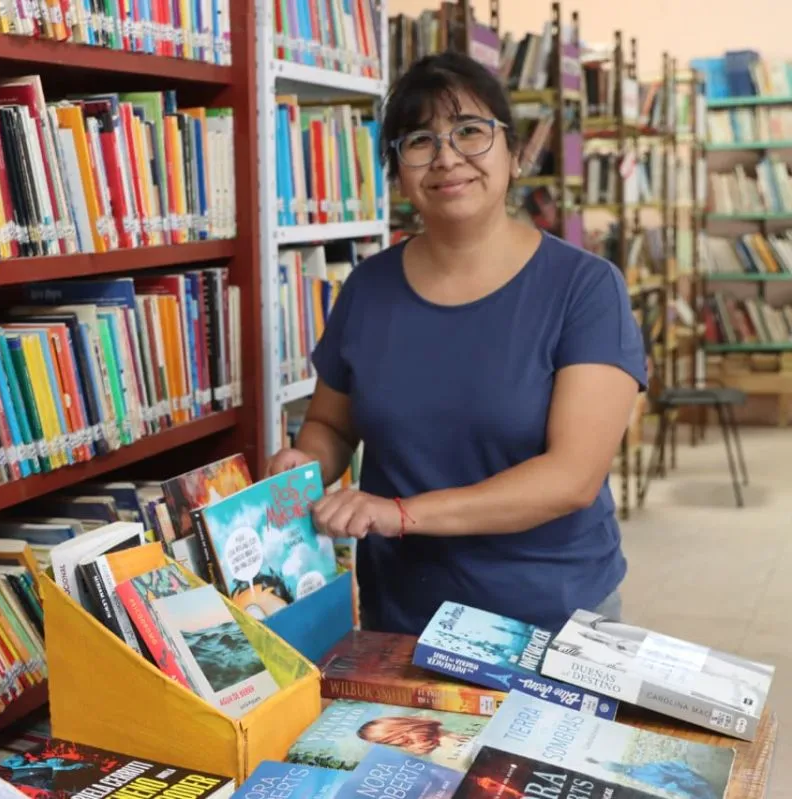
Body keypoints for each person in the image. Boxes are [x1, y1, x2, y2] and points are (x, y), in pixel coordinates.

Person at [266, 50, 648, 636]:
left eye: (470, 131)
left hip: (552, 616)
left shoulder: (586, 288)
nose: (447, 157)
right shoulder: (368, 288)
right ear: (398, 173)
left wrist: (401, 515)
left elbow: (572, 477)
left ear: (516, 154)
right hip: (402, 615)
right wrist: (305, 464)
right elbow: (332, 426)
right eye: (419, 142)